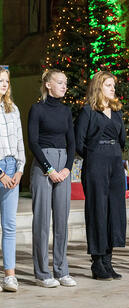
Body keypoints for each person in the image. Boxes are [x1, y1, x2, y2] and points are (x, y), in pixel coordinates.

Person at [75, 71, 126, 280]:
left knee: (115, 210)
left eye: (113, 85)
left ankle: (108, 260)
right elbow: (79, 142)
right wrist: (96, 154)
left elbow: (122, 139)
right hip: (96, 164)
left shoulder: (116, 112)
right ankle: (97, 262)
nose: (113, 88)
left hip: (115, 163)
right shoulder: (87, 111)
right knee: (98, 210)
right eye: (108, 85)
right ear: (98, 87)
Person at [28, 69, 76, 288]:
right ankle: (42, 273)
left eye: (65, 83)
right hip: (43, 165)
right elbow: (33, 142)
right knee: (41, 221)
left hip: (63, 163)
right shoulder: (37, 109)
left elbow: (72, 142)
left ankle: (62, 270)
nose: (64, 86)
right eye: (60, 82)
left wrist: (67, 168)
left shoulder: (66, 111)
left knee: (61, 221)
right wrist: (49, 169)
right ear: (48, 84)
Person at [0, 68, 25, 292]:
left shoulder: (13, 109)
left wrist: (19, 170)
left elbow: (20, 143)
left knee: (9, 226)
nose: (4, 84)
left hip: (12, 166)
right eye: (0, 81)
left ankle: (10, 276)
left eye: (6, 81)